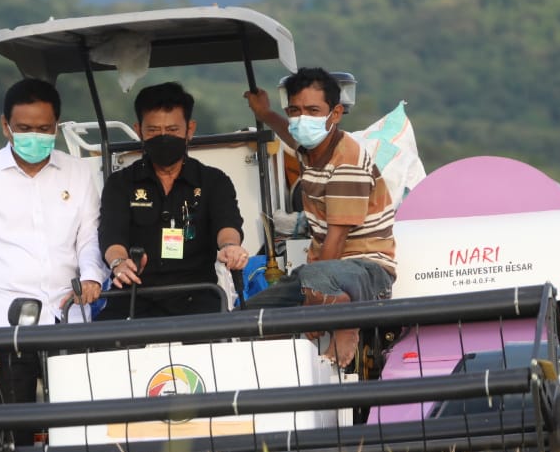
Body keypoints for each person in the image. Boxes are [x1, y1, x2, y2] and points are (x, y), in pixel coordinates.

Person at [0, 78, 106, 440]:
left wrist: (93, 275)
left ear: (57, 126)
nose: (35, 136)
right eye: (24, 128)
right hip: (2, 324)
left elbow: (90, 237)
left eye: (44, 129)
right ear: (6, 126)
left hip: (67, 318)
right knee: (10, 434)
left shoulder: (78, 173)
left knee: (77, 428)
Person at [244, 67, 397, 367]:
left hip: (367, 273)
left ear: (335, 113)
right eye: (296, 111)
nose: (303, 119)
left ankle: (345, 326)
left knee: (314, 275)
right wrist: (265, 113)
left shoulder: (346, 161)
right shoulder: (312, 149)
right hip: (323, 272)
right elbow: (290, 133)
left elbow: (336, 243)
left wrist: (313, 309)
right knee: (248, 316)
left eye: (313, 111)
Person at [97, 82, 249, 319]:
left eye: (172, 130)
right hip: (133, 297)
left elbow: (227, 226)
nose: (163, 137)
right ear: (139, 130)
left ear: (190, 129)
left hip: (197, 296)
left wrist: (230, 248)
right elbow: (111, 235)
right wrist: (119, 262)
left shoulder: (213, 181)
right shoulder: (120, 184)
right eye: (154, 131)